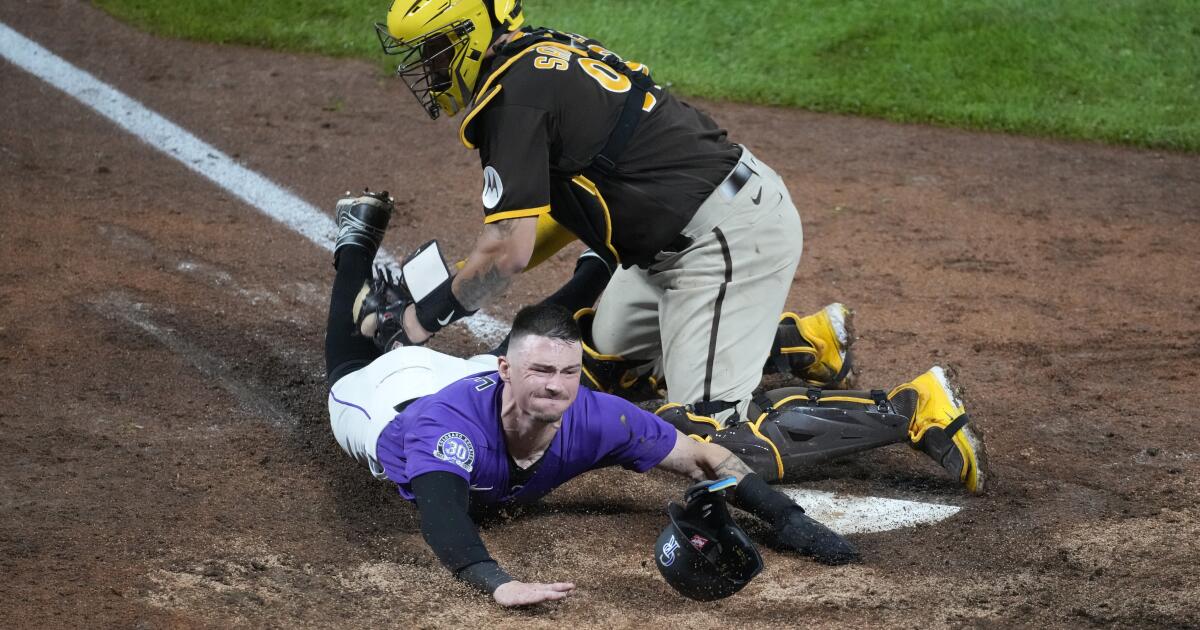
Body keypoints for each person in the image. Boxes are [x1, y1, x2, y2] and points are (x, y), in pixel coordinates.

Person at [325, 192, 859, 607]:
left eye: (569, 375)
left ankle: (600, 257)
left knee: (548, 332)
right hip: (389, 396)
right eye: (540, 374)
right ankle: (356, 241)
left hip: (480, 375)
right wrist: (496, 582)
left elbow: (703, 456)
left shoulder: (593, 416)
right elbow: (443, 516)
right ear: (508, 373)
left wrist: (787, 518)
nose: (558, 386)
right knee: (348, 365)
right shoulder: (445, 433)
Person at [366, 0, 871, 431]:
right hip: (676, 244)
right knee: (604, 369)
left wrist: (422, 317)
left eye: (436, 50)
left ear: (472, 36)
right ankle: (803, 344)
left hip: (724, 241)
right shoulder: (538, 54)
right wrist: (457, 281)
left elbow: (508, 252)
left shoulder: (513, 102)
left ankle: (913, 412)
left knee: (706, 435)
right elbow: (561, 213)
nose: (429, 69)